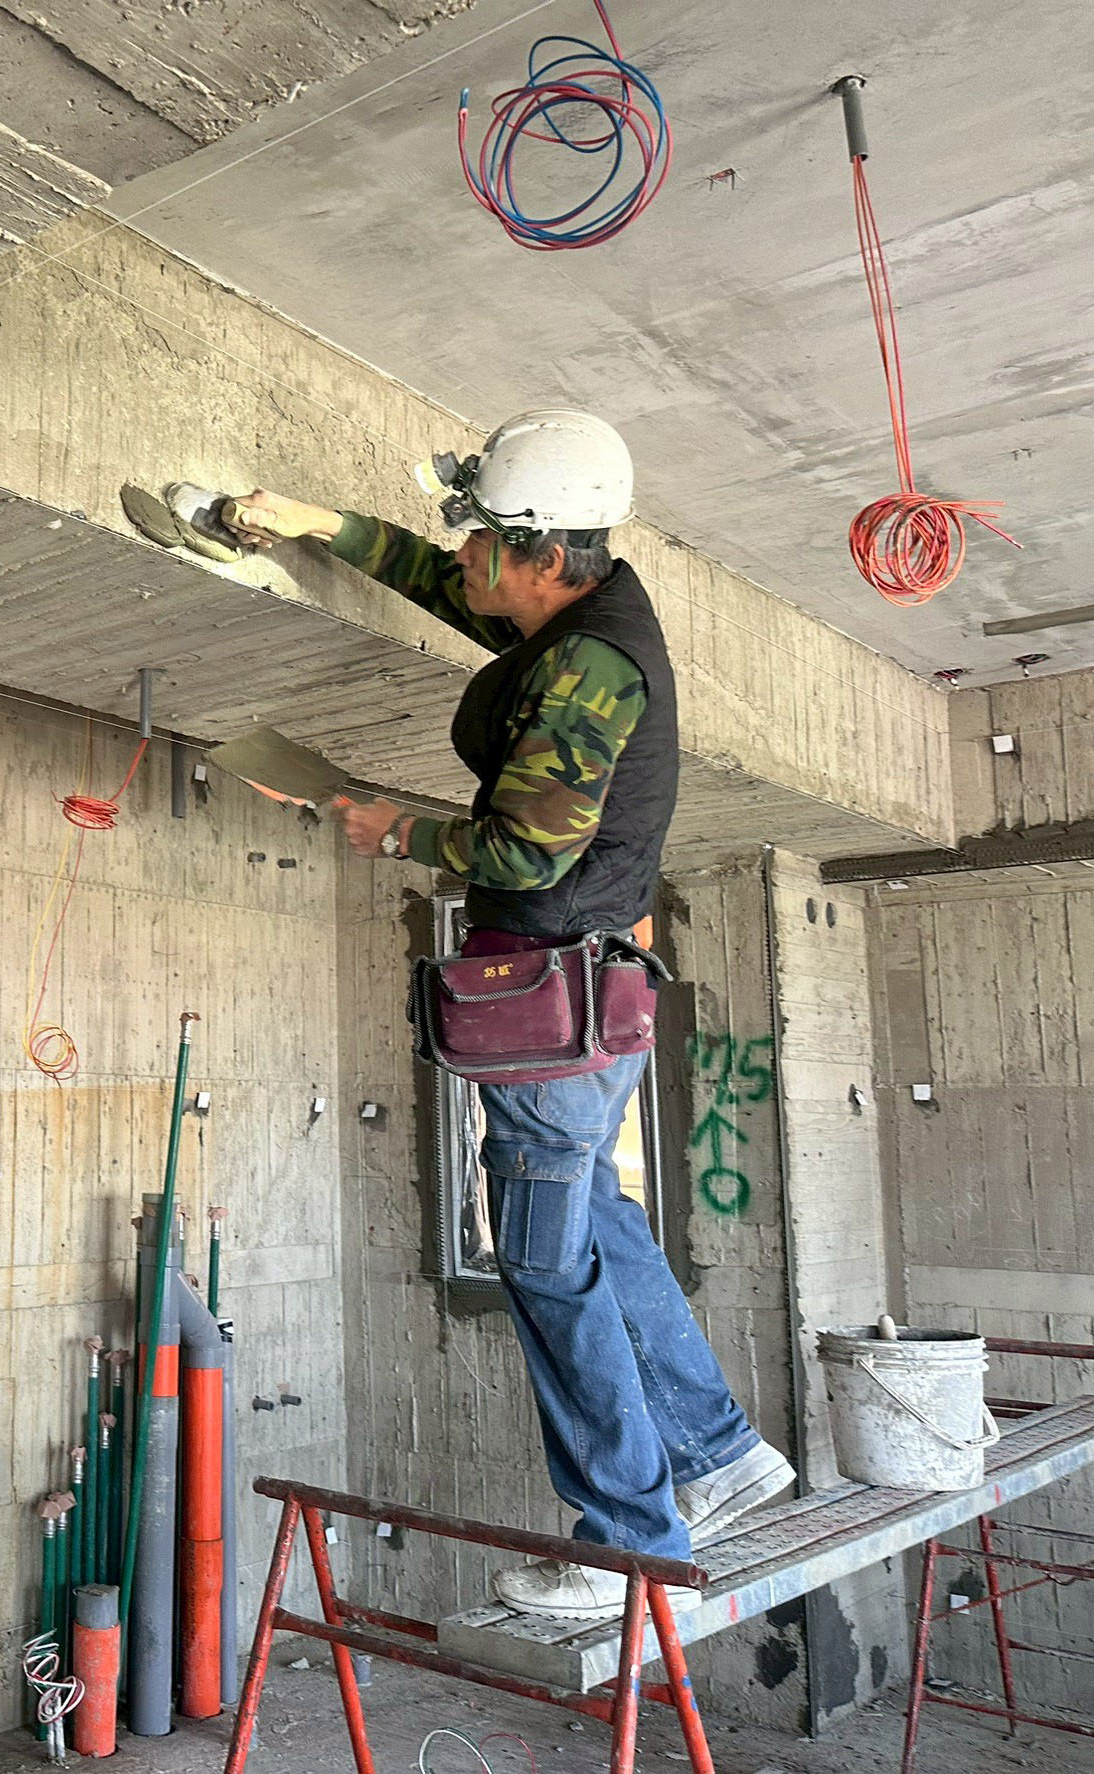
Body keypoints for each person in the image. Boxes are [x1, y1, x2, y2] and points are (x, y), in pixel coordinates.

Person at [227, 410, 793, 1618]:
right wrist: (315, 523)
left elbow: (528, 852)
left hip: (554, 1015)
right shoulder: (573, 613)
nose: (464, 554)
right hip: (589, 1003)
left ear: (541, 554)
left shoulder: (591, 670)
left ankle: (629, 1543)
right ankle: (719, 1453)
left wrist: (397, 830)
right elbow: (446, 583)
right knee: (598, 1222)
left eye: (482, 537)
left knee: (543, 1264)